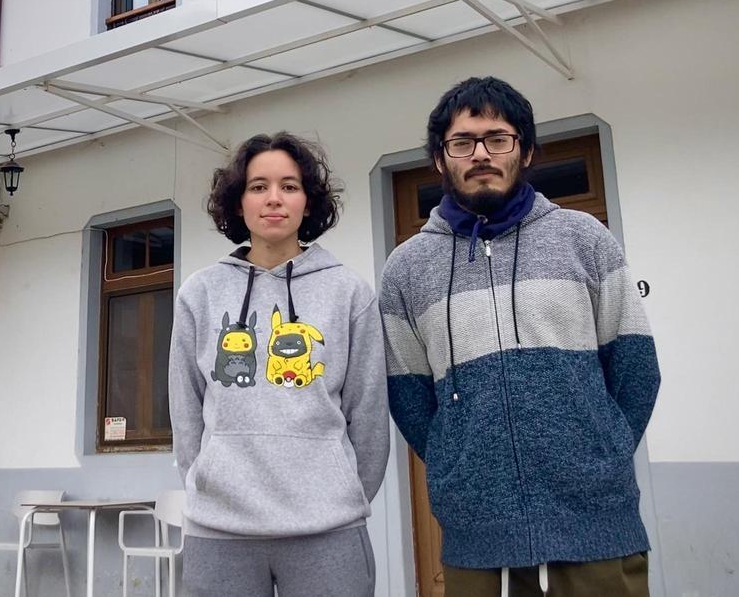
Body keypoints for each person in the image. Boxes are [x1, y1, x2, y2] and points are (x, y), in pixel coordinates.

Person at [380, 77, 660, 597]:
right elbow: (409, 397)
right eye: (462, 142)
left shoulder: (584, 238)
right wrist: (455, 460)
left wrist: (604, 453)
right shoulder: (406, 269)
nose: (480, 154)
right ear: (441, 160)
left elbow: (637, 368)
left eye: (498, 138)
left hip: (597, 527)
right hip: (477, 540)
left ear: (525, 150)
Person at [168, 132, 389, 597]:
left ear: (308, 203)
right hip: (219, 532)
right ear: (238, 202)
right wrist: (205, 482)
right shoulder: (200, 294)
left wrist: (340, 494)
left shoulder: (349, 293)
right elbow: (185, 411)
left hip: (327, 531)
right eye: (258, 186)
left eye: (289, 186)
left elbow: (368, 415)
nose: (274, 199)